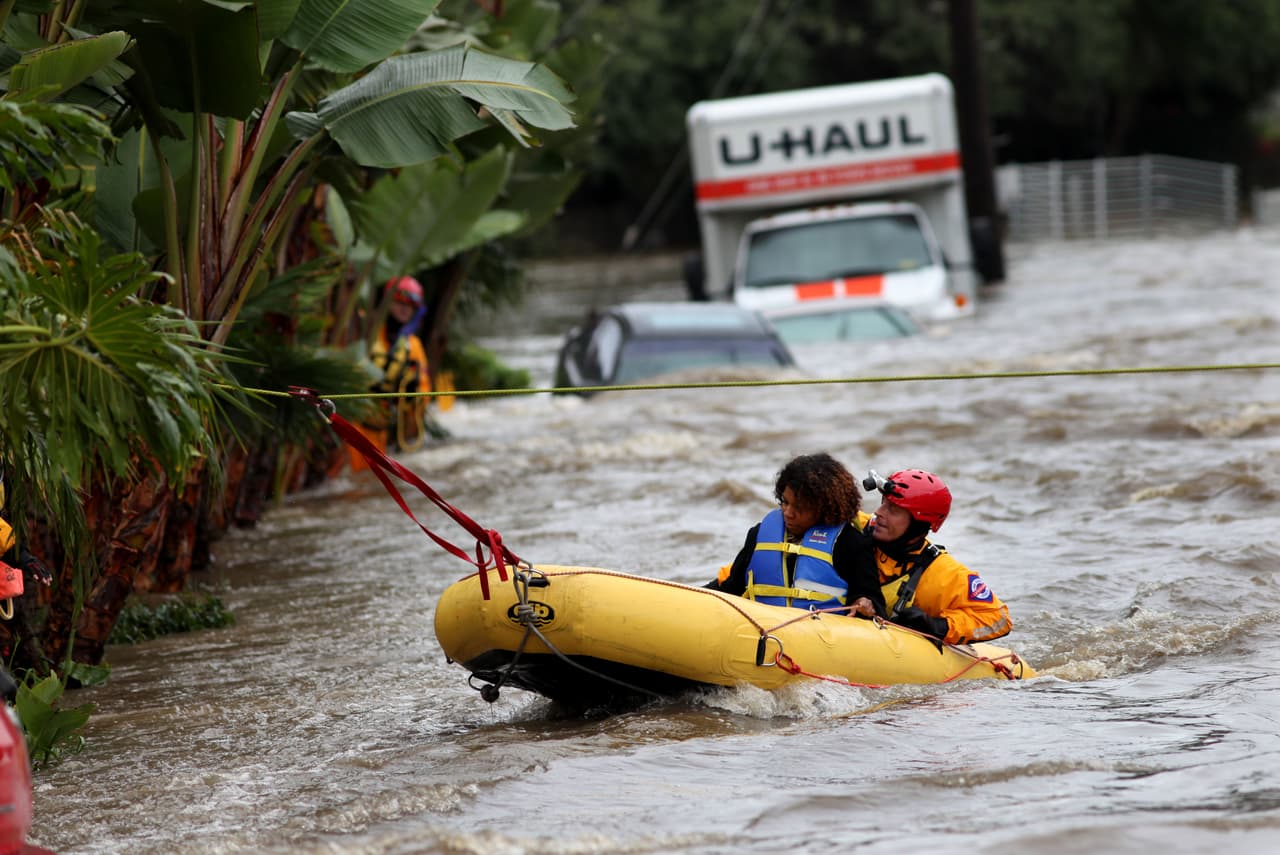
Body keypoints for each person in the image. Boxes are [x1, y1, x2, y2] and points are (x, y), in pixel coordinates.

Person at [707, 453, 885, 618]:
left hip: (821, 638)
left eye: (799, 507)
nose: (788, 513)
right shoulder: (759, 534)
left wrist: (865, 603)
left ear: (824, 508)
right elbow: (732, 588)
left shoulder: (850, 543)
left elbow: (873, 600)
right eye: (785, 502)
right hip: (762, 629)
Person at [864, 468, 1011, 644]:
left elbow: (999, 619)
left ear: (918, 523)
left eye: (893, 509)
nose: (879, 512)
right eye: (883, 502)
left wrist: (937, 626)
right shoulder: (859, 526)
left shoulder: (943, 573)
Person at [368, 275, 431, 451]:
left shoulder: (413, 346)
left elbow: (425, 391)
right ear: (387, 303)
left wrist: (413, 396)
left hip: (381, 430)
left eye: (410, 307)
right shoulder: (366, 330)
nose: (405, 310)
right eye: (400, 303)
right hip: (350, 424)